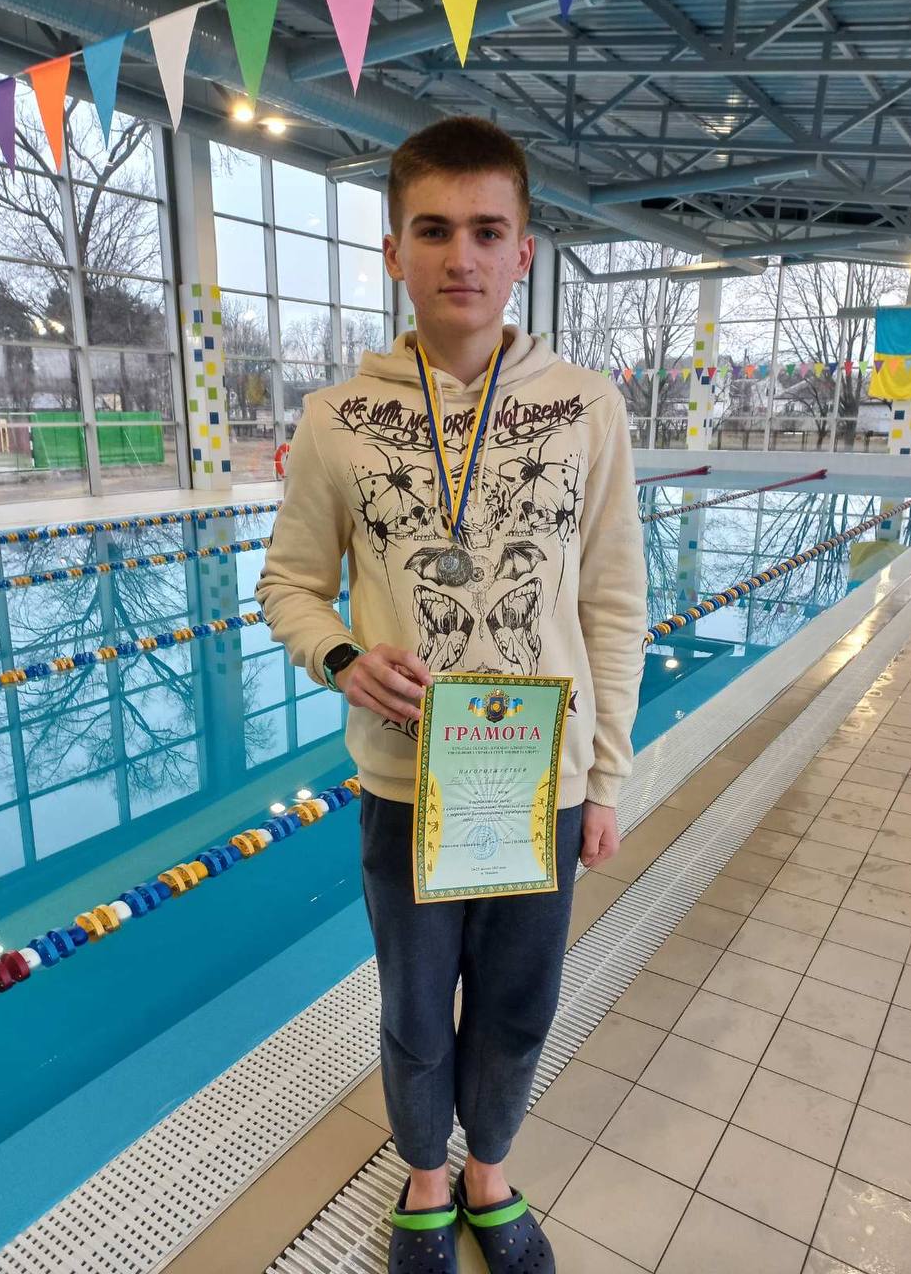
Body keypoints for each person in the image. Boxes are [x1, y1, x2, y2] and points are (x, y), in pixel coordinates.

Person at [256, 115, 647, 1274]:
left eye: (486, 230)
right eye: (432, 230)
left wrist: (606, 778)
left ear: (524, 249)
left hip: (542, 783)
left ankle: (490, 1171)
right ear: (393, 250)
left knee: (520, 1004)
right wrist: (341, 656)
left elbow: (614, 601)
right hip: (403, 781)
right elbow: (288, 583)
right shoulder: (338, 417)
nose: (459, 256)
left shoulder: (587, 408)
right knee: (417, 1006)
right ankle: (427, 1177)